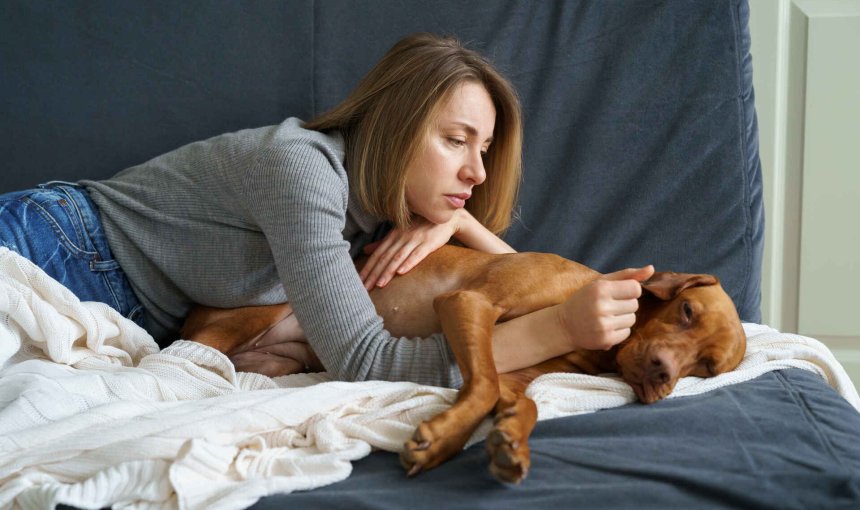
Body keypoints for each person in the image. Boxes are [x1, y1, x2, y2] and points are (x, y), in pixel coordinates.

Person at [0, 33, 653, 388]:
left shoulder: (369, 217)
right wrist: (557, 332)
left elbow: (522, 284)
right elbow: (366, 361)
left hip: (112, 308)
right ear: (394, 124)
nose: (477, 172)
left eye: (483, 150)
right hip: (55, 244)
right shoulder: (300, 170)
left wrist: (461, 221)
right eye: (455, 141)